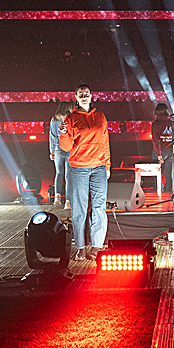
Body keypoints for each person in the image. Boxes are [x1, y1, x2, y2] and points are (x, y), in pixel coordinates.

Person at [59, 84, 111, 260]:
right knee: (79, 208)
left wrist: (108, 165)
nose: (84, 96)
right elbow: (65, 147)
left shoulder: (100, 116)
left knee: (99, 207)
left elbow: (105, 142)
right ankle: (80, 247)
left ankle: (96, 246)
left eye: (86, 94)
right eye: (80, 94)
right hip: (79, 167)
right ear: (75, 97)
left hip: (99, 167)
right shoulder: (71, 118)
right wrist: (64, 133)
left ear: (91, 96)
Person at [151, 102, 174, 195]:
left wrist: (158, 154)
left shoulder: (156, 124)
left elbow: (156, 140)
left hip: (160, 151)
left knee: (157, 174)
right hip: (171, 151)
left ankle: (158, 193)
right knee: (169, 174)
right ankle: (169, 194)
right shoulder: (172, 123)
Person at [49, 101, 75, 209]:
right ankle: (68, 201)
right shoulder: (71, 119)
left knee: (59, 174)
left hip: (58, 148)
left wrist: (52, 151)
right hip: (69, 147)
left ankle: (57, 198)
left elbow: (53, 136)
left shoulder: (54, 119)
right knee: (69, 176)